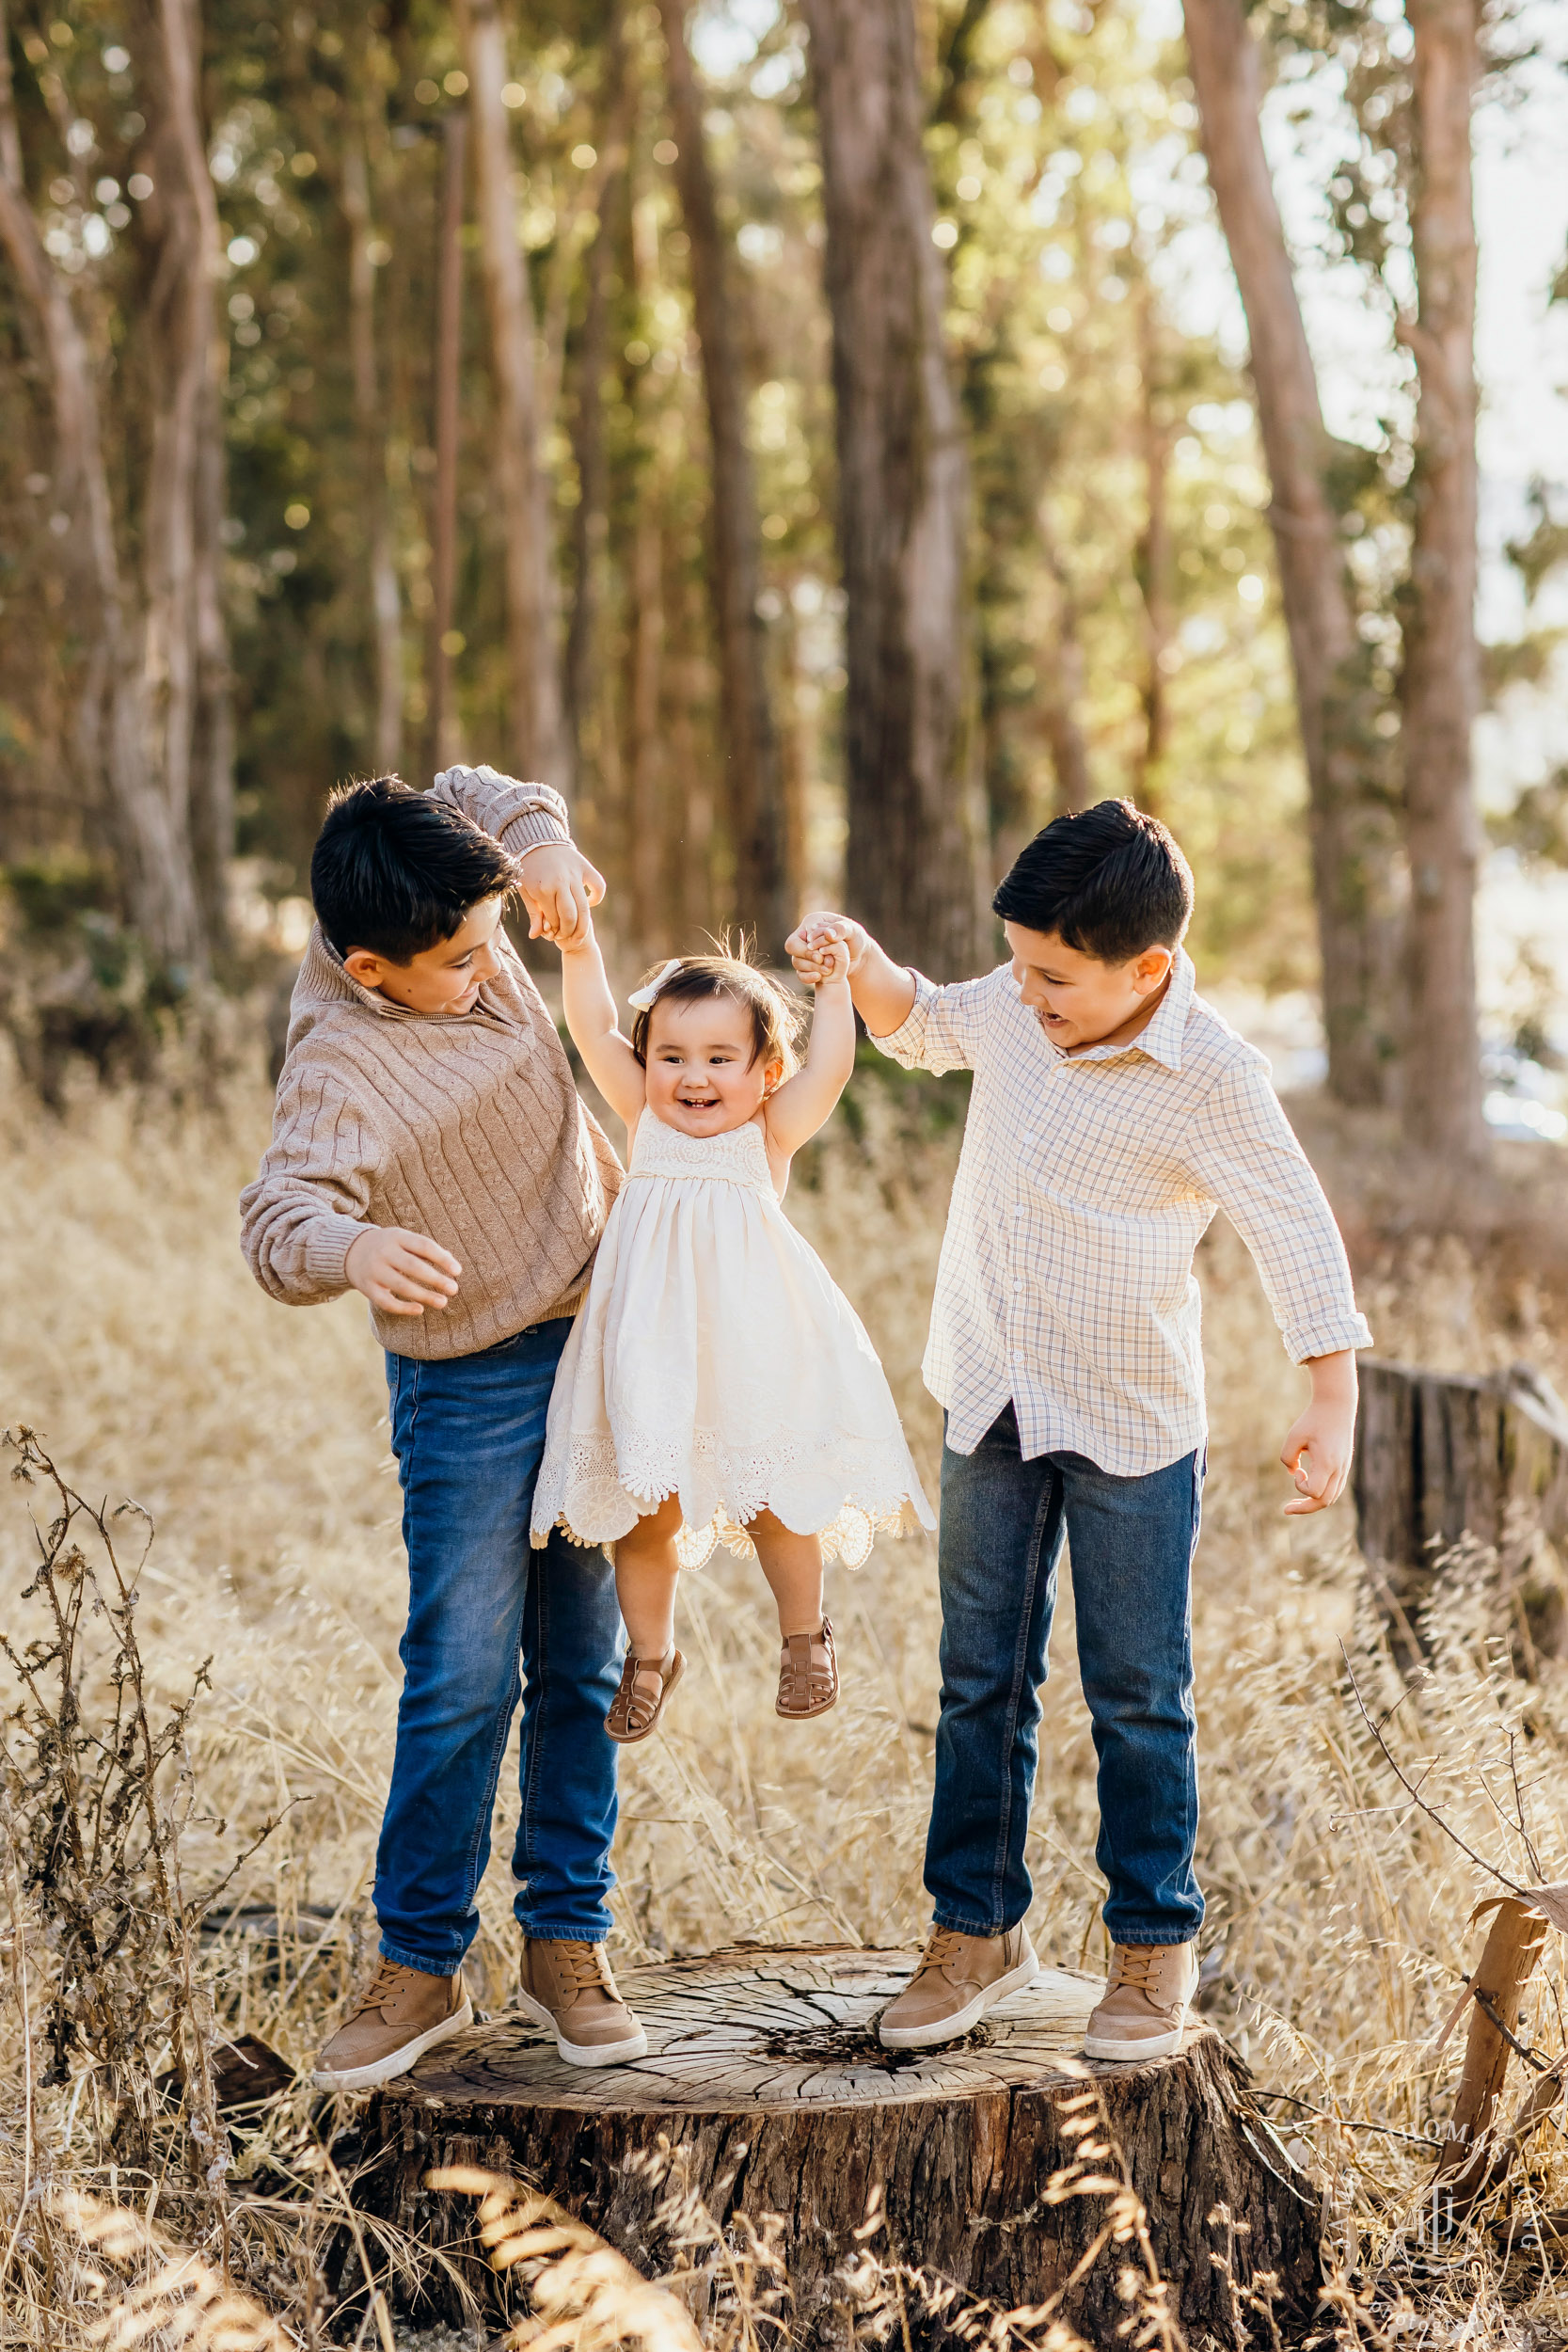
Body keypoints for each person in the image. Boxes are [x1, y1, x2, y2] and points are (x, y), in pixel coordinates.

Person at [788, 799, 1371, 2062]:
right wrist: (858, 962)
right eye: (1017, 962)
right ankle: (972, 1933)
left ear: (1145, 968)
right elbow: (921, 1018)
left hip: (1129, 1423)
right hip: (989, 1391)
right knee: (977, 1682)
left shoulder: (1210, 1073)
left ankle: (1151, 1951)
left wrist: (1329, 1391)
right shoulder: (1009, 1003)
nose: (1025, 991)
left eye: (1054, 976)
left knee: (1135, 1695)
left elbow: (1288, 1225)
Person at [240, 765, 649, 2085]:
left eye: (492, 945)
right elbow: (275, 1220)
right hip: (466, 1385)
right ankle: (419, 1966)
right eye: (461, 959)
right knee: (464, 1675)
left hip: (591, 1344)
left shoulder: (448, 899)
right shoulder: (342, 1061)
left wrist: (537, 845)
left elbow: (482, 784)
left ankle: (563, 1941)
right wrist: (353, 1247)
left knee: (580, 1665)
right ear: (368, 965)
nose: (491, 971)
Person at [529, 922, 933, 1739]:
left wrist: (832, 984)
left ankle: (803, 1635)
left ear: (765, 1073)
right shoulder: (642, 1118)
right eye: (672, 1056)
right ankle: (649, 1655)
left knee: (773, 1500)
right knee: (648, 1514)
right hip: (651, 1353)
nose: (692, 1077)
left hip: (753, 1351)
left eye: (721, 1058)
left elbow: (832, 1065)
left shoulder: (769, 1133)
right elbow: (593, 1028)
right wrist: (579, 951)